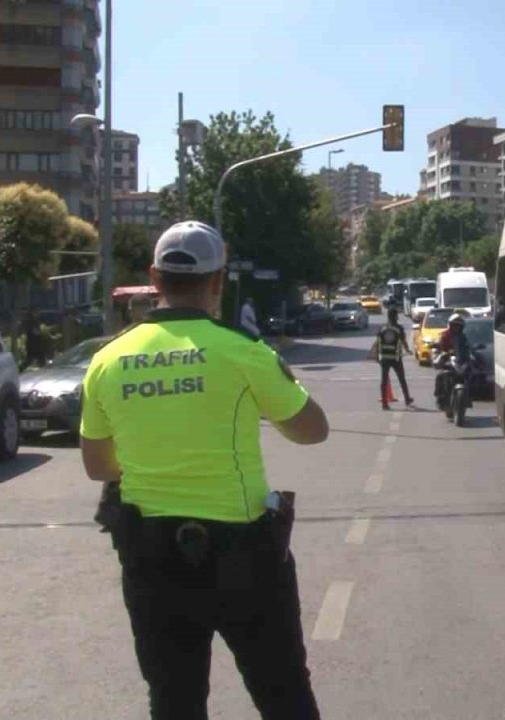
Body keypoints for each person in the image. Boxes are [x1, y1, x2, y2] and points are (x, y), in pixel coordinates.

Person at [80, 220, 329, 720]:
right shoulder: (243, 351)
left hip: (152, 561)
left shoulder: (107, 361)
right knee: (283, 695)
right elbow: (311, 430)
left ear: (154, 277)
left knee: (174, 702)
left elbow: (97, 465)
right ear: (219, 280)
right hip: (246, 559)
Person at [369, 307, 414, 410]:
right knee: (402, 379)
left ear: (388, 316)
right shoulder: (399, 328)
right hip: (396, 358)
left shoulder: (382, 328)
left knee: (384, 381)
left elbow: (377, 343)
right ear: (395, 316)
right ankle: (407, 399)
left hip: (384, 357)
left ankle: (384, 404)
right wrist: (407, 350)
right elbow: (403, 341)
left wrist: (376, 356)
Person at [433, 313, 471, 407]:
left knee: (470, 373)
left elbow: (467, 346)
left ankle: (468, 397)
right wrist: (443, 352)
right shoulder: (445, 335)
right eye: (454, 325)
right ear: (451, 325)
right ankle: (439, 397)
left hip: (459, 360)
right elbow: (440, 346)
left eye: (458, 326)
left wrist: (471, 351)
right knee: (441, 375)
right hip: (448, 360)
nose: (456, 328)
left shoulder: (463, 337)